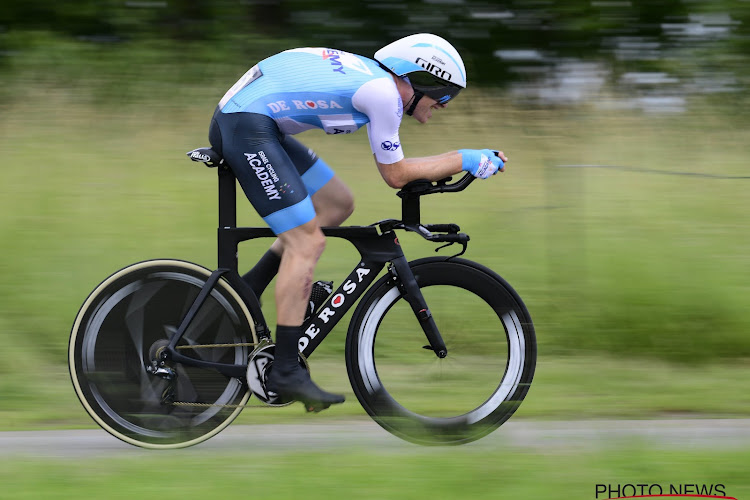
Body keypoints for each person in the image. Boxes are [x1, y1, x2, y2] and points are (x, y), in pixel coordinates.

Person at [207, 33, 507, 412]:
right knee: (307, 243)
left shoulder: (375, 81)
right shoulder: (384, 94)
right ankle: (284, 369)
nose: (444, 105)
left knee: (337, 203)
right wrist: (465, 158)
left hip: (253, 120)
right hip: (246, 124)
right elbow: (396, 175)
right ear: (422, 79)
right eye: (444, 95)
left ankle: (250, 287)